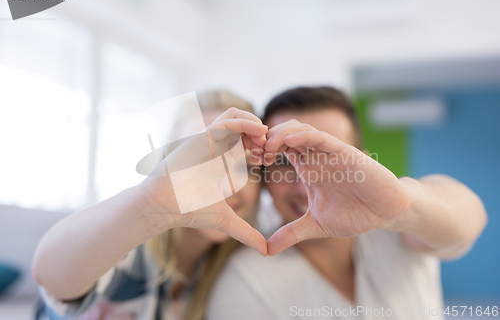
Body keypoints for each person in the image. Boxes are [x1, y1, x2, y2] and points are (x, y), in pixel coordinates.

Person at [206, 86, 487, 320]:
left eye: (328, 158)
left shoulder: (400, 227)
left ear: (363, 163)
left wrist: (402, 206)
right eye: (284, 162)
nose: (307, 186)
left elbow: (470, 219)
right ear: (264, 174)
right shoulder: (246, 282)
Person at [32, 90, 268, 320]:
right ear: (167, 161)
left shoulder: (243, 268)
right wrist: (149, 206)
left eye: (246, 167)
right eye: (206, 159)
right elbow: (51, 276)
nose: (228, 184)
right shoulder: (126, 246)